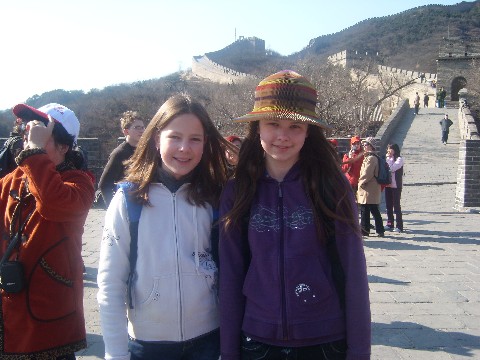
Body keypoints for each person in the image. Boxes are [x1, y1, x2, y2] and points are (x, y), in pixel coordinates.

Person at [219, 70, 371, 360]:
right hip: (257, 341)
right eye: (272, 123)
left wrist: (359, 352)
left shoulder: (330, 185)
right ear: (257, 127)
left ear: (308, 131)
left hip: (325, 341)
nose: (283, 136)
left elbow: (354, 273)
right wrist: (229, 353)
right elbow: (230, 275)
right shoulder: (237, 190)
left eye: (295, 127)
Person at [97, 94, 233, 360]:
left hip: (208, 342)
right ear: (157, 139)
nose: (184, 148)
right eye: (175, 137)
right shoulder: (127, 201)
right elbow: (110, 284)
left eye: (195, 139)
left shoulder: (216, 198)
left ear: (205, 143)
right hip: (147, 343)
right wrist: (115, 353)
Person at [0, 103, 95, 358]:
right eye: (27, 132)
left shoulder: (80, 182)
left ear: (64, 147)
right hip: (11, 309)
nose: (28, 138)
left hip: (50, 316)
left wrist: (34, 152)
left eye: (40, 133)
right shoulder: (14, 178)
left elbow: (52, 204)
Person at [97, 110, 146, 207]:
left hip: (144, 203)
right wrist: (113, 208)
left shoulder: (146, 150)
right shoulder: (119, 153)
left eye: (143, 127)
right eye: (137, 127)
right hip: (127, 203)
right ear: (126, 131)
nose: (141, 130)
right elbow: (104, 184)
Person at [357, 137, 385, 237]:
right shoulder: (371, 157)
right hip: (371, 188)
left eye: (366, 144)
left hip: (368, 188)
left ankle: (365, 230)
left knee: (366, 209)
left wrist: (360, 183)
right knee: (373, 209)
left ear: (371, 146)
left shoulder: (371, 158)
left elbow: (367, 174)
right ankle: (379, 230)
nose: (364, 146)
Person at [385, 144, 404, 233]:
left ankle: (399, 225)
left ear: (394, 150)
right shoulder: (388, 158)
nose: (388, 151)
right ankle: (390, 223)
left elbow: (391, 169)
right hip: (388, 185)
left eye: (390, 149)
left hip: (396, 186)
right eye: (388, 149)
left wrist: (389, 159)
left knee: (396, 206)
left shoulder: (399, 159)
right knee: (388, 206)